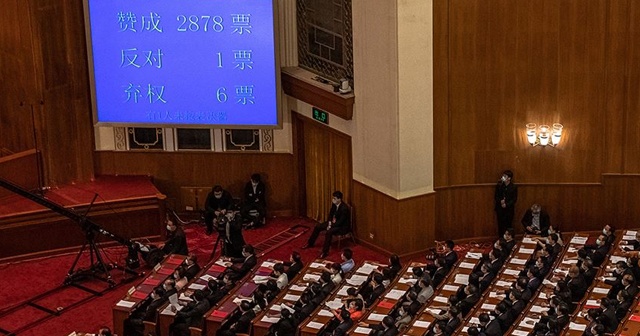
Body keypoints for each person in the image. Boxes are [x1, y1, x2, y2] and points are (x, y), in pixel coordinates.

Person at [303, 191, 351, 258]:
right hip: (333, 223)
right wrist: (329, 223)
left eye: (335, 198)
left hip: (342, 227)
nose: (333, 200)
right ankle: (310, 243)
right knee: (318, 226)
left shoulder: (344, 209)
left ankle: (325, 252)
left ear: (339, 199)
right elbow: (330, 214)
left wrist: (330, 226)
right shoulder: (334, 204)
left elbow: (340, 222)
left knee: (329, 232)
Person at [494, 170, 518, 235]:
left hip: (509, 209)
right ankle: (501, 238)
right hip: (500, 209)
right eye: (503, 176)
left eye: (505, 176)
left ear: (509, 178)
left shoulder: (513, 187)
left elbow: (514, 199)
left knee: (508, 225)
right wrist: (500, 201)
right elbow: (496, 196)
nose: (503, 177)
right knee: (500, 225)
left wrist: (506, 204)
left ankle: (509, 239)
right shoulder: (499, 185)